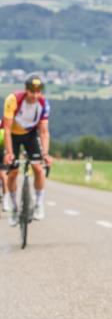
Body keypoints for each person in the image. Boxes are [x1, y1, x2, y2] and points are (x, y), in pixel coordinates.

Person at [3, 75, 53, 223]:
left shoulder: (43, 104)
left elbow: (43, 131)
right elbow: (6, 129)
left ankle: (38, 203)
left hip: (30, 135)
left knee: (38, 167)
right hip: (12, 135)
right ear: (26, 90)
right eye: (32, 91)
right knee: (13, 173)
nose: (35, 95)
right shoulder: (13, 100)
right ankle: (13, 207)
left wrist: (45, 153)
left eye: (38, 92)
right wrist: (9, 153)